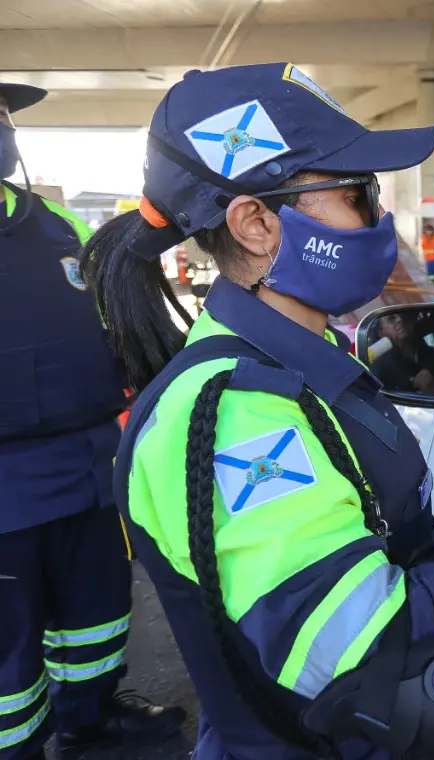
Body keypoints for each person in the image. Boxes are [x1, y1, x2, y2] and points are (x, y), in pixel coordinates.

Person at [78, 62, 434, 760]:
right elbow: (408, 686)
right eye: (357, 193)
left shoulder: (299, 364)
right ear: (257, 224)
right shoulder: (230, 419)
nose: (379, 218)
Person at [0, 82, 185, 760]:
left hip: (88, 466)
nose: (1, 128)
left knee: (99, 610)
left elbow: (114, 319)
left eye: (1, 114)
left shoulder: (58, 226)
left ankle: (91, 715)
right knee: (8, 644)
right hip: (4, 489)